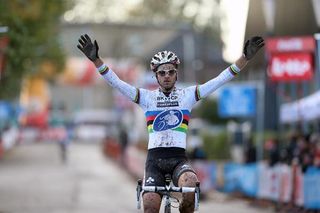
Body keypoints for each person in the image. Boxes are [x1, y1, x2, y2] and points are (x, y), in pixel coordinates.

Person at [77, 34, 264, 213]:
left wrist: (244, 58)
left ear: (176, 74)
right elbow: (116, 83)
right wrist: (96, 61)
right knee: (150, 206)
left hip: (178, 160)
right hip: (154, 163)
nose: (166, 76)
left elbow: (220, 80)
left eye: (171, 72)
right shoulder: (146, 98)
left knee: (190, 184)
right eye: (162, 72)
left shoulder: (187, 95)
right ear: (156, 76)